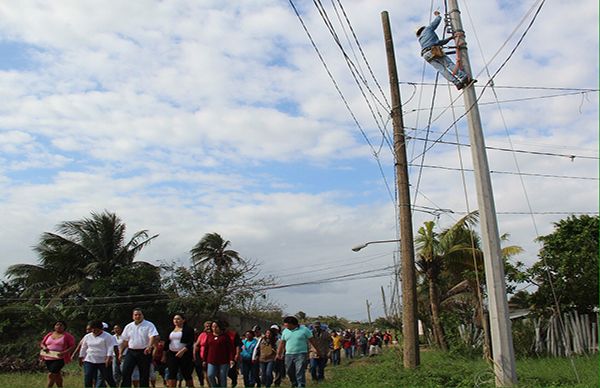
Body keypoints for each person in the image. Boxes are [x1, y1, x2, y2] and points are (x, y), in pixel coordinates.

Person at [416, 10, 473, 90]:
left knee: (441, 69)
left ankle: (457, 83)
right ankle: (464, 77)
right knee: (448, 64)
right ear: (423, 28)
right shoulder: (428, 29)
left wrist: (450, 38)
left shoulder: (421, 39)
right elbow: (436, 21)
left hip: (426, 55)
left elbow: (439, 43)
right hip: (433, 50)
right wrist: (438, 15)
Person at [276, 316, 324, 388]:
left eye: (287, 325)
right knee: (289, 371)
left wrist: (318, 351)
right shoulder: (285, 331)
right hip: (289, 354)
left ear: (292, 324)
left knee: (300, 370)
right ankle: (294, 383)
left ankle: (301, 384)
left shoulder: (304, 330)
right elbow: (282, 343)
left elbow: (312, 341)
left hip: (301, 354)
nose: (285, 327)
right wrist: (278, 354)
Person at [119, 308, 160, 388]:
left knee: (144, 374)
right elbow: (125, 341)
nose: (138, 316)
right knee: (126, 372)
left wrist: (149, 346)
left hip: (144, 352)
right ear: (133, 316)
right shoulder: (128, 326)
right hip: (131, 352)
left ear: (142, 315)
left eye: (139, 314)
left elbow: (152, 336)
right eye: (136, 315)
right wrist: (120, 352)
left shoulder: (149, 325)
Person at [79, 320, 117, 388]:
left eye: (96, 329)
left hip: (103, 360)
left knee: (108, 377)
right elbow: (84, 347)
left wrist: (108, 357)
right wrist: (81, 356)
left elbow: (110, 347)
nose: (94, 331)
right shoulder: (87, 336)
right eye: (92, 329)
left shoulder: (107, 336)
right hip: (90, 359)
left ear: (101, 329)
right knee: (88, 376)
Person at [40, 320, 76, 388]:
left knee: (51, 374)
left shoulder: (67, 336)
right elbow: (42, 343)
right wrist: (44, 347)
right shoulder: (49, 334)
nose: (58, 326)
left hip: (60, 358)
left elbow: (72, 346)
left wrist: (64, 352)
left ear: (64, 327)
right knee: (57, 374)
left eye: (61, 325)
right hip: (48, 358)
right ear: (54, 326)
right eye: (57, 325)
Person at [163, 313, 195, 388]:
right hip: (172, 354)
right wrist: (164, 355)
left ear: (183, 320)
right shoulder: (170, 329)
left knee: (186, 373)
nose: (176, 320)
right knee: (172, 373)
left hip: (184, 354)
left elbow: (190, 342)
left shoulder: (188, 329)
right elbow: (166, 343)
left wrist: (182, 351)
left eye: (178, 319)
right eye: (174, 319)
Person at [203, 320, 236, 388]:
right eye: (213, 327)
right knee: (210, 375)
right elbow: (206, 348)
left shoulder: (225, 337)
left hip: (223, 361)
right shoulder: (209, 336)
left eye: (216, 327)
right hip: (211, 360)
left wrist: (231, 359)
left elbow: (231, 349)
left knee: (222, 377)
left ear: (220, 327)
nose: (214, 328)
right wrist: (204, 360)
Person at [193, 321, 212, 387]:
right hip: (203, 357)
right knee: (207, 374)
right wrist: (195, 353)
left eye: (209, 326)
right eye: (206, 326)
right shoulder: (202, 335)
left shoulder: (216, 334)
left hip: (214, 356)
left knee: (215, 374)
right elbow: (196, 344)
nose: (208, 327)